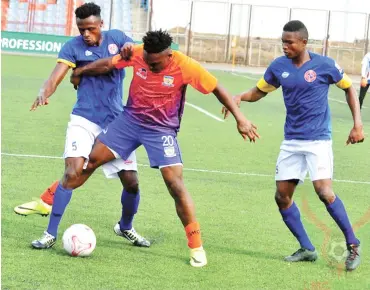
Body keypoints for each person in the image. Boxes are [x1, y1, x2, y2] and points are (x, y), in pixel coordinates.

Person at [32, 29, 260, 267]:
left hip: (161, 130)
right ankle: (50, 230)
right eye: (148, 63)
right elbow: (109, 64)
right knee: (87, 164)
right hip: (129, 122)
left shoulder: (186, 66)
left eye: (156, 64)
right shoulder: (138, 52)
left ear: (169, 54)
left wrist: (240, 118)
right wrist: (79, 71)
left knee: (175, 184)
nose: (150, 67)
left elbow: (217, 88)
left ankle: (196, 246)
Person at [223, 20, 364, 271]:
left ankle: (353, 245)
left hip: (319, 139)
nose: (285, 46)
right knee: (282, 196)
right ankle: (307, 248)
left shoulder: (324, 65)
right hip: (292, 141)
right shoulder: (279, 66)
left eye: (289, 42)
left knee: (324, 191)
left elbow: (349, 89)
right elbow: (260, 90)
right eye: (283, 42)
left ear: (303, 42)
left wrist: (357, 124)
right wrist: (240, 97)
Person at [24, 2, 149, 249]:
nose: (86, 34)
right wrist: (44, 91)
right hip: (84, 119)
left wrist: (129, 47)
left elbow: (136, 52)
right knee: (72, 173)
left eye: (90, 29)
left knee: (131, 182)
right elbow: (57, 74)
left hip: (115, 123)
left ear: (101, 24)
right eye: (82, 29)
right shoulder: (72, 47)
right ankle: (49, 234)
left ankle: (125, 227)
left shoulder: (116, 38)